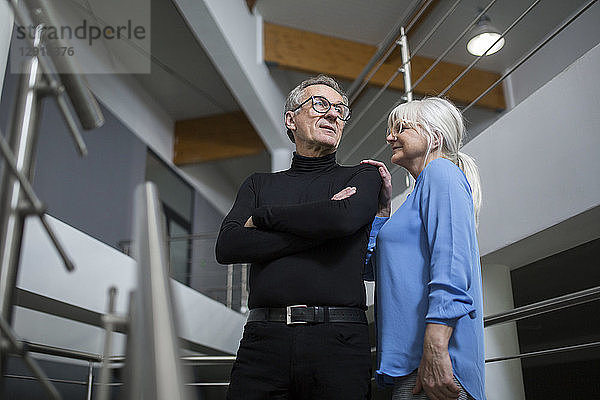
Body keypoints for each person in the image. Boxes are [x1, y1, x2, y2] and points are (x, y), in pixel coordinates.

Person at [215, 75, 382, 399]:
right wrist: (325, 228)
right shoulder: (258, 184)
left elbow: (344, 219)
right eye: (320, 104)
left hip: (339, 342)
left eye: (340, 109)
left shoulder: (364, 175)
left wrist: (266, 216)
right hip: (263, 341)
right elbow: (229, 245)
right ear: (291, 119)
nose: (333, 114)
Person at [356, 97, 485, 399]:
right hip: (411, 362)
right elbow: (371, 269)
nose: (390, 137)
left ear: (434, 137)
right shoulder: (414, 196)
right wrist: (381, 212)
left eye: (400, 128)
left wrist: (436, 345)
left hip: (438, 357)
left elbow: (452, 262)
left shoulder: (442, 173)